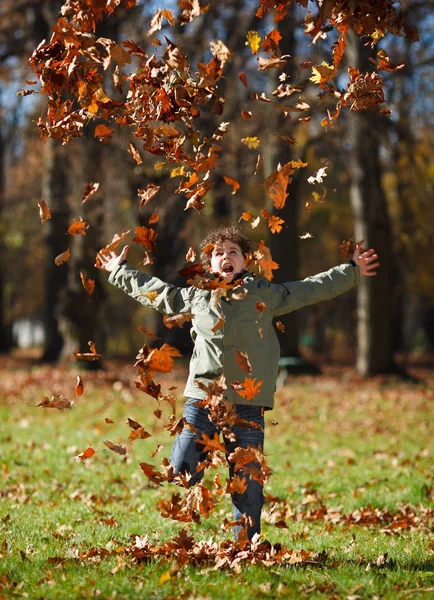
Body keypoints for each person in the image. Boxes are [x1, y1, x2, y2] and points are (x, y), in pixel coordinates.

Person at [96, 225, 379, 540]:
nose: (225, 257)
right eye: (218, 253)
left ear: (245, 261)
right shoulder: (196, 295)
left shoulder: (264, 294)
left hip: (247, 400)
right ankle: (195, 499)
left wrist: (351, 269)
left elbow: (310, 288)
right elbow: (158, 293)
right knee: (180, 471)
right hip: (203, 396)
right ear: (209, 264)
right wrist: (119, 270)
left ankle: (245, 544)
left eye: (233, 252)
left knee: (248, 482)